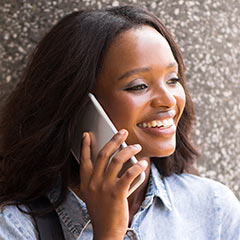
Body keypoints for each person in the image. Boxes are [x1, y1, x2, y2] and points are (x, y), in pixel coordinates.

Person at [0, 5, 239, 240]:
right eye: (139, 86)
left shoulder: (214, 208)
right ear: (80, 106)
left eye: (173, 79)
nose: (168, 100)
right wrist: (108, 234)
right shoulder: (16, 226)